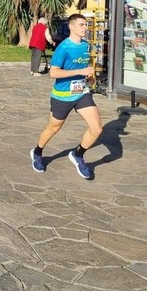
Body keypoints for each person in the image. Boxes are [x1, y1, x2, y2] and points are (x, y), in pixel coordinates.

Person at [30, 13, 102, 180]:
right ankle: (38, 151)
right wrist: (79, 71)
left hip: (81, 93)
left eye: (85, 25)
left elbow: (85, 67)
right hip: (62, 95)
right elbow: (53, 73)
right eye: (81, 25)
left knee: (97, 128)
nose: (85, 28)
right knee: (54, 128)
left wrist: (89, 77)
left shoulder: (85, 45)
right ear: (71, 27)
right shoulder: (63, 48)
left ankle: (78, 154)